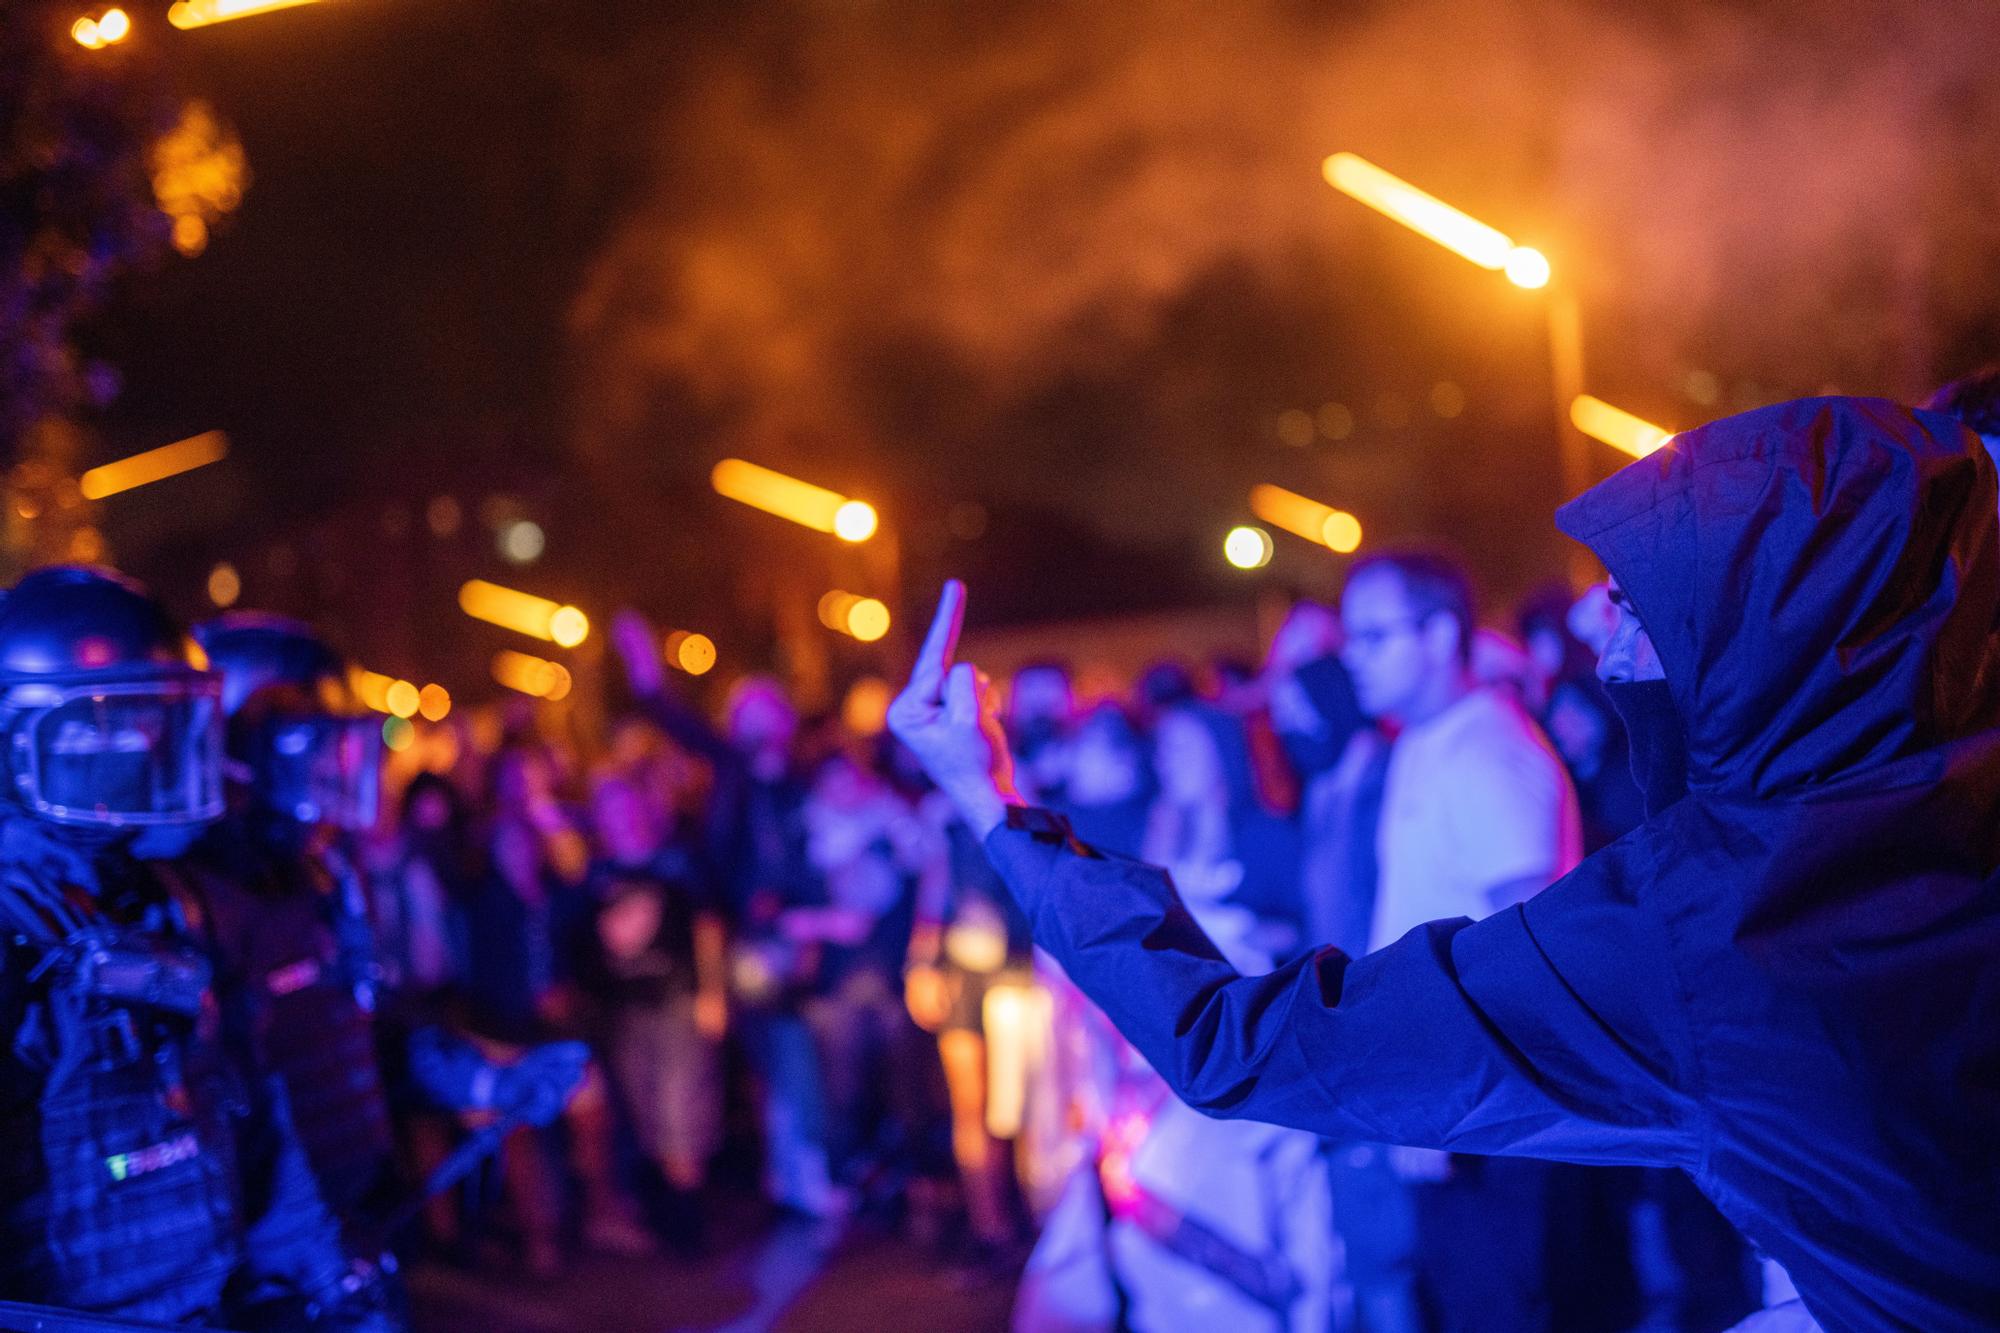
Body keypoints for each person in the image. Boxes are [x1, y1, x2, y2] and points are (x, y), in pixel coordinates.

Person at [887, 396, 2000, 1333]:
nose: (1602, 629)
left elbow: (1235, 1043)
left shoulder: (1702, 926)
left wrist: (988, 798)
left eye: (1647, 596)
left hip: (1495, 1149)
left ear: (1762, 629)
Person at [0, 567, 384, 1330]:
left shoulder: (173, 900)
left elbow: (258, 1123)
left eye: (164, 725)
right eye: (120, 724)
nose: (149, 753)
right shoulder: (16, 927)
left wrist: (324, 1278)